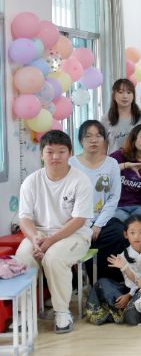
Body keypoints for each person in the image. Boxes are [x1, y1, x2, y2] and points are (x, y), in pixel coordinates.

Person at [16, 130, 93, 334]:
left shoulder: (80, 180)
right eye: (50, 152)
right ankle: (24, 313)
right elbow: (24, 218)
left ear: (70, 153)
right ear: (42, 154)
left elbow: (79, 220)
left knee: (54, 258)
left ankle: (62, 312)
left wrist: (50, 242)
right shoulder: (31, 181)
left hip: (74, 234)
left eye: (61, 151)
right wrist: (34, 238)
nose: (55, 156)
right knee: (23, 258)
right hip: (39, 233)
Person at [69, 120, 124, 281]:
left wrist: (98, 225)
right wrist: (86, 225)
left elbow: (113, 197)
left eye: (98, 136)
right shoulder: (71, 164)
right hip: (77, 221)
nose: (93, 140)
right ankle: (86, 280)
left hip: (103, 220)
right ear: (81, 140)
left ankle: (107, 283)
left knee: (119, 234)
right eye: (88, 136)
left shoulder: (112, 163)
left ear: (104, 140)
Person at [85, 215, 141, 325]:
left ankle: (127, 310)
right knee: (103, 283)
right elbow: (130, 283)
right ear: (126, 234)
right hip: (130, 291)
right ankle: (128, 309)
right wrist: (127, 295)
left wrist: (129, 295)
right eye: (132, 233)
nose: (136, 236)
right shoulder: (122, 256)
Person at [110, 124, 141, 223]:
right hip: (118, 206)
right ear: (134, 138)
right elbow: (104, 172)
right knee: (118, 224)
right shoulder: (117, 156)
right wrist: (127, 165)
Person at [102, 78, 141, 154]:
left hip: (139, 160)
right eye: (120, 92)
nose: (125, 96)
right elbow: (103, 147)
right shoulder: (106, 119)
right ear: (114, 95)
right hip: (115, 160)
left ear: (133, 96)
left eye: (129, 92)